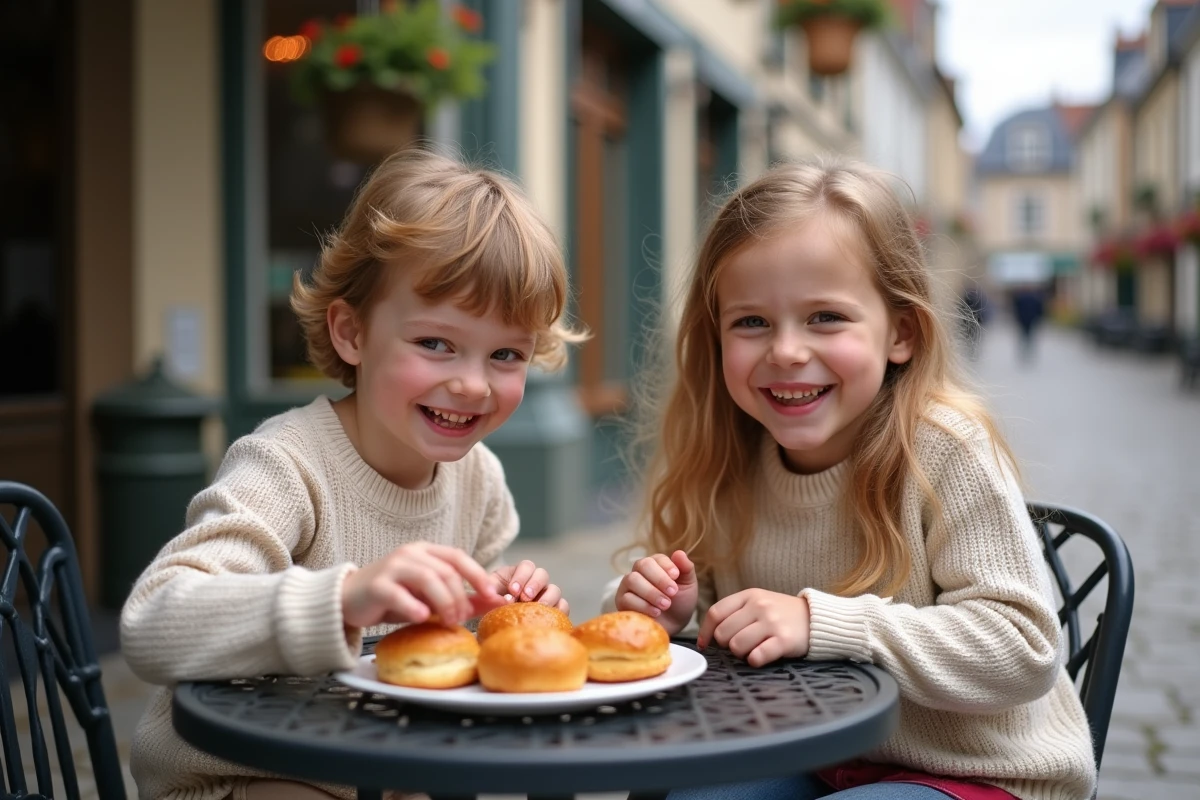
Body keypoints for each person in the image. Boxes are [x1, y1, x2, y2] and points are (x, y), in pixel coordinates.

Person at [607, 158, 1096, 800]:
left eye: (825, 318)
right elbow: (731, 627)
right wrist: (672, 610)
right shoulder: (731, 456)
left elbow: (1023, 647)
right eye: (751, 322)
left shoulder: (944, 447)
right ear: (716, 335)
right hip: (820, 751)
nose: (785, 350)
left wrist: (821, 623)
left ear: (900, 331)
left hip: (980, 772)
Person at [120, 148, 586, 800]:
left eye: (505, 354)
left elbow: (440, 663)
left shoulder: (480, 483)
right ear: (352, 333)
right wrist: (343, 600)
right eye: (435, 343)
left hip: (383, 774)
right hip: (241, 778)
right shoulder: (286, 465)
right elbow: (153, 623)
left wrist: (496, 612)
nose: (472, 384)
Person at [1011, 284, 1047, 364]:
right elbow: (1040, 311)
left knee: (1023, 337)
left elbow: (1016, 311)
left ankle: (1023, 353)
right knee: (1030, 337)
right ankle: (1028, 352)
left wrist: (1017, 319)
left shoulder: (1020, 299)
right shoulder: (1035, 298)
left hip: (1022, 321)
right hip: (1031, 320)